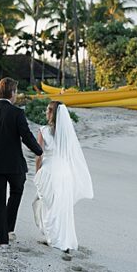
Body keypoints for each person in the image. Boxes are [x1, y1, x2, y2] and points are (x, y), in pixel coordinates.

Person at [0, 77, 44, 247]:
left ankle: (3, 239)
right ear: (12, 93)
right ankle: (8, 228)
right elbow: (26, 137)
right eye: (16, 92)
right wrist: (40, 151)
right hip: (14, 164)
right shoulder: (17, 113)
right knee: (16, 193)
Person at [32, 101, 94, 252]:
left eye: (48, 110)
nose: (46, 113)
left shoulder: (43, 131)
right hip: (64, 173)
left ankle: (52, 236)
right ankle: (61, 236)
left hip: (49, 170)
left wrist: (37, 170)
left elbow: (39, 154)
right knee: (60, 206)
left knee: (45, 203)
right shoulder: (67, 133)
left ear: (52, 113)